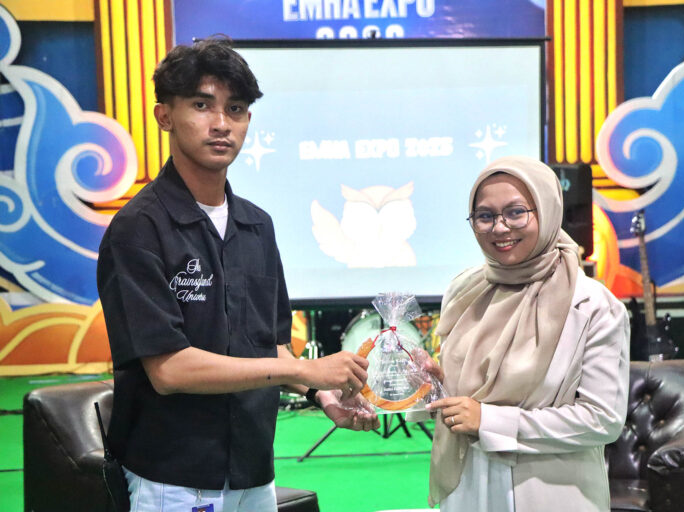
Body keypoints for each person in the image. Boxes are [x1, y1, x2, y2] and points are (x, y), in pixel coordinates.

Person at [96, 37, 378, 512]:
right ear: (164, 116)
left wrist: (322, 393)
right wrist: (301, 369)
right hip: (173, 477)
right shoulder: (138, 229)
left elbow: (270, 346)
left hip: (254, 471)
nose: (222, 123)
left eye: (237, 109)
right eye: (201, 105)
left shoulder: (256, 225)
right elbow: (169, 370)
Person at [424, 156, 630, 511]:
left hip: (552, 494)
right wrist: (433, 388)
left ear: (546, 210)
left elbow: (602, 420)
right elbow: (463, 400)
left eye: (516, 212)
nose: (500, 228)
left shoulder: (592, 304)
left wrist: (490, 420)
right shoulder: (463, 292)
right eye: (485, 216)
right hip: (469, 489)